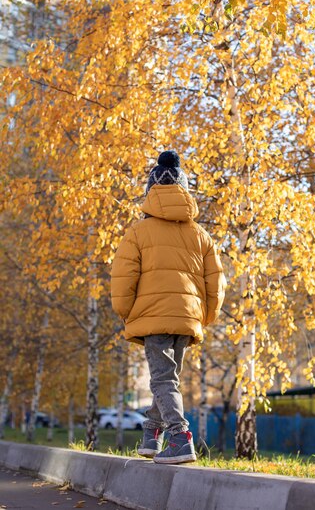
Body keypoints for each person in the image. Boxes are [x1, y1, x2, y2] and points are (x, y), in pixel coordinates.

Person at [111, 150, 226, 464]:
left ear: (151, 192)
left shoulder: (137, 233)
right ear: (184, 191)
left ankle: (179, 437)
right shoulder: (200, 235)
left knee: (163, 379)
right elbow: (216, 281)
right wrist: (207, 315)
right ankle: (151, 434)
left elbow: (123, 278)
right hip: (186, 318)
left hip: (153, 317)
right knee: (168, 378)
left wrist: (125, 310)